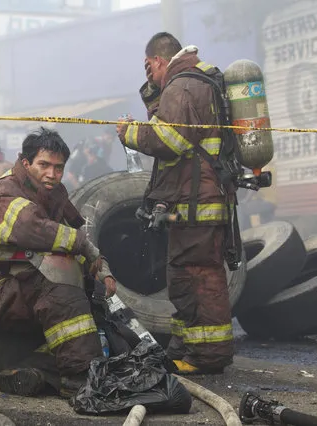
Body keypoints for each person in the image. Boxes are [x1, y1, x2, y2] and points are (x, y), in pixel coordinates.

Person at [0, 127, 116, 397]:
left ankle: (34, 370)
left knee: (84, 291)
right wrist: (82, 247)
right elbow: (33, 228)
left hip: (13, 283)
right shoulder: (5, 196)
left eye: (58, 167)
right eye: (44, 165)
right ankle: (80, 378)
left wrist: (100, 265)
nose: (52, 174)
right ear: (26, 164)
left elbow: (77, 229)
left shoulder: (51, 190)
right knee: (60, 286)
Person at [115, 32, 234, 374]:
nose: (148, 75)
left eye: (148, 68)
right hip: (193, 200)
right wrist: (154, 93)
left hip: (198, 201)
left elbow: (171, 139)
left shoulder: (183, 85)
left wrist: (129, 132)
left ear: (157, 60)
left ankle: (207, 357)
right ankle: (188, 348)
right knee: (184, 276)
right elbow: (173, 126)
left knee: (198, 276)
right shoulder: (193, 81)